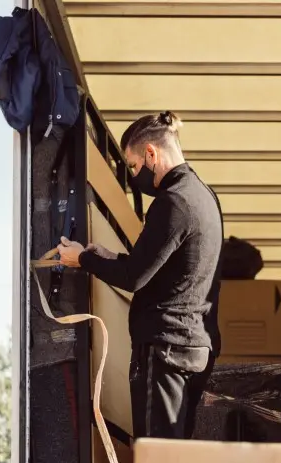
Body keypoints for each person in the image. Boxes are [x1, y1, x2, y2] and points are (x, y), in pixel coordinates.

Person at [57, 110, 223, 442]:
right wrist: (99, 254)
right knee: (174, 461)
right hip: (194, 349)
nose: (134, 176)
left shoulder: (173, 202)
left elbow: (134, 276)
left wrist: (83, 259)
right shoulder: (204, 196)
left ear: (151, 153)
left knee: (157, 459)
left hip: (166, 349)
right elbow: (152, 264)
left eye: (133, 166)